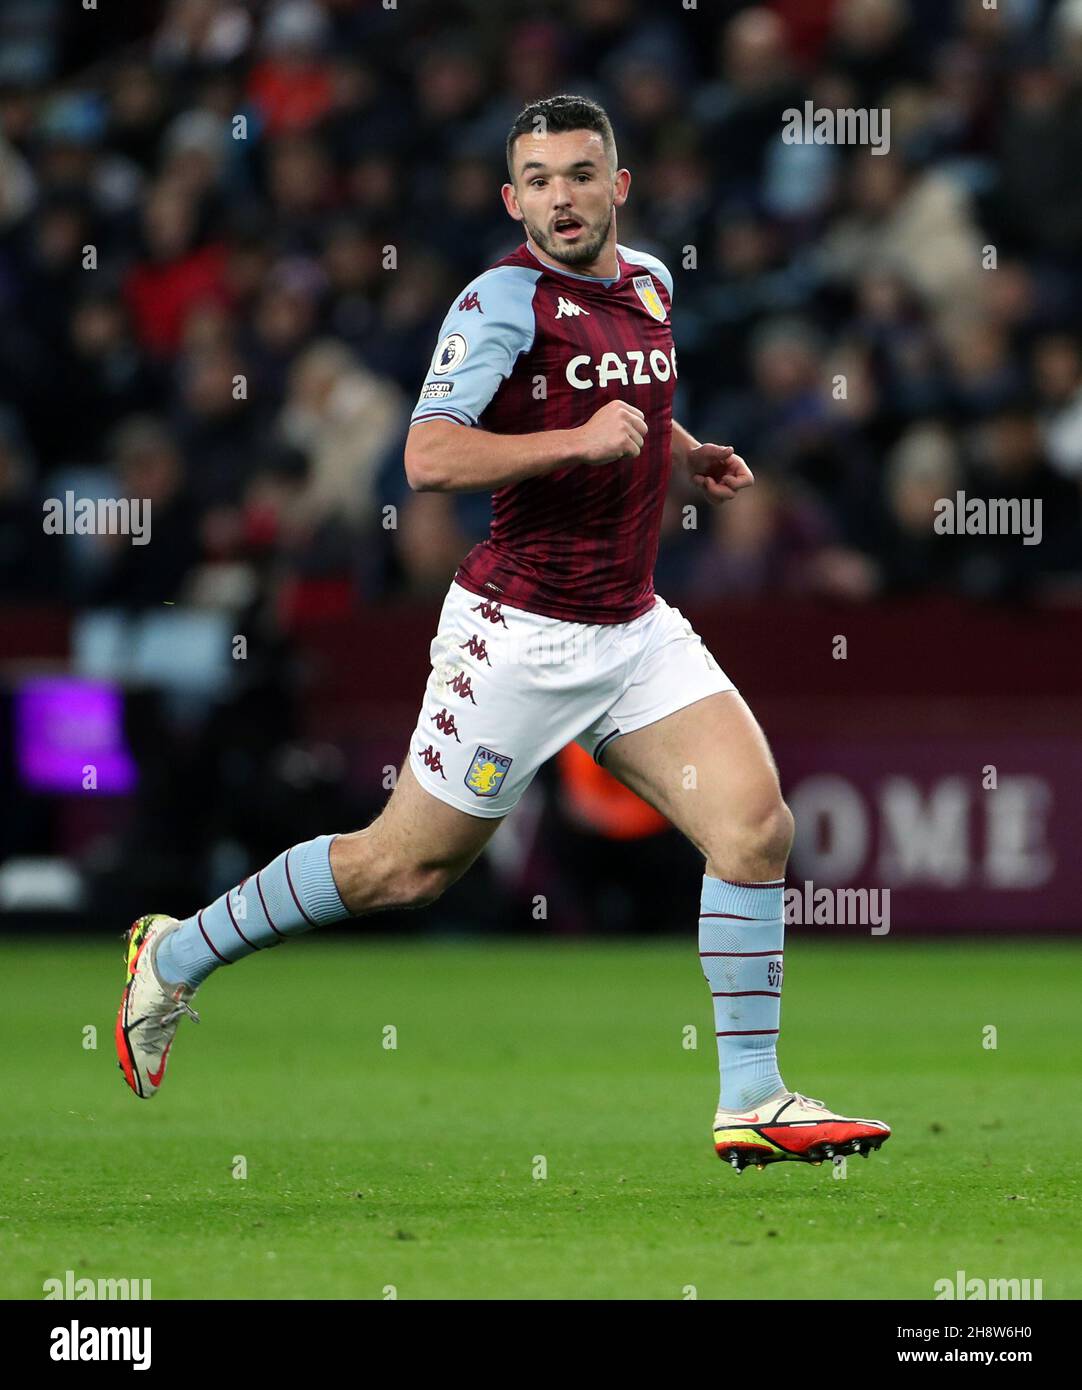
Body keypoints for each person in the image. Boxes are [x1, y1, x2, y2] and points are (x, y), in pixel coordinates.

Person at [117, 93, 890, 1172]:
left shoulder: (652, 284)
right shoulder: (498, 304)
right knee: (401, 869)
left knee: (755, 828)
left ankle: (750, 1098)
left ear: (616, 186)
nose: (559, 198)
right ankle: (175, 952)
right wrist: (573, 445)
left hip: (630, 625)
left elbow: (634, 406)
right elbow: (429, 455)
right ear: (509, 197)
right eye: (537, 180)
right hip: (515, 634)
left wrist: (686, 453)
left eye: (579, 174)